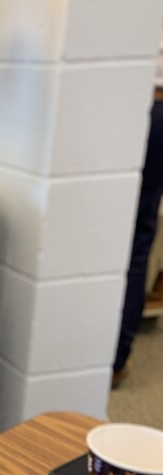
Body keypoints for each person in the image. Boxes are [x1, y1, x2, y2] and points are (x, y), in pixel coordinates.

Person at [113, 27, 163, 388]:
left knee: (127, 234)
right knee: (137, 236)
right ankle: (115, 359)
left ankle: (113, 358)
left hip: (136, 99)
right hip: (151, 103)